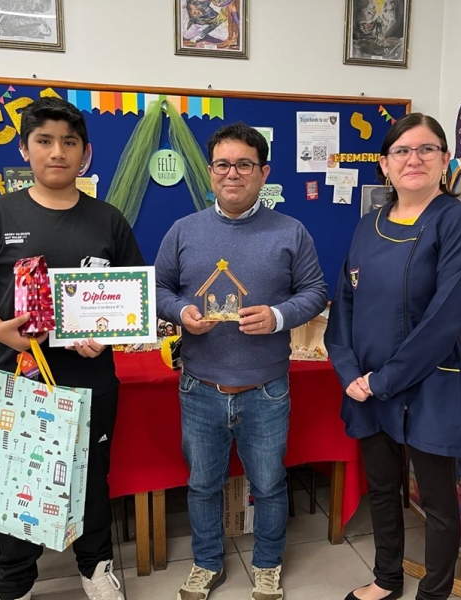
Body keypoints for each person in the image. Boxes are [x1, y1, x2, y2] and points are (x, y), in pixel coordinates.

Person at [0, 96, 144, 600]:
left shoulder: (108, 219)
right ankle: (11, 584)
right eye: (44, 141)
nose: (57, 152)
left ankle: (97, 566)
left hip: (92, 379)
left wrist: (105, 334)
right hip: (20, 375)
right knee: (15, 479)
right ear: (25, 149)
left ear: (85, 154)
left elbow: (130, 302)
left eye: (69, 142)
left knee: (91, 480)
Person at [155, 122, 327, 600]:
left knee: (269, 485)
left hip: (266, 388)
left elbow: (316, 292)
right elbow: (160, 290)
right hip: (200, 386)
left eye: (244, 164)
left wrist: (276, 316)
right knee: (203, 485)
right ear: (210, 172)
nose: (233, 174)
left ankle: (267, 563)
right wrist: (181, 312)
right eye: (223, 165)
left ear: (263, 172)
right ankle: (207, 563)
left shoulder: (291, 231)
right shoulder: (183, 231)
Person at [324, 113, 461, 600]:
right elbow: (344, 306)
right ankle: (387, 579)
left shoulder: (458, 225)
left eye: (426, 150)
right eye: (402, 151)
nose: (413, 159)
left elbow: (445, 317)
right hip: (367, 386)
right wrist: (351, 373)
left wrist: (384, 379)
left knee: (439, 505)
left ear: (445, 162)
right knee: (382, 489)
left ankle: (433, 594)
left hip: (427, 382)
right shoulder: (367, 226)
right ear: (385, 164)